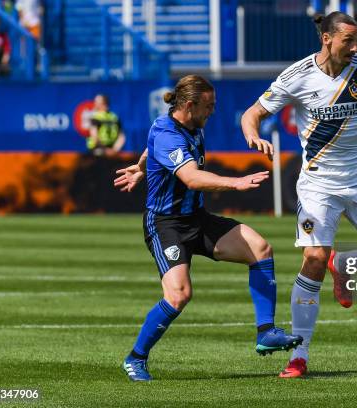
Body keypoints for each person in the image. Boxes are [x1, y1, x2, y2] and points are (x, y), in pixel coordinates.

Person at [240, 12, 357, 378]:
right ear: (327, 38)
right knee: (313, 257)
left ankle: (343, 264)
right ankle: (299, 355)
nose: (356, 47)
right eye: (348, 41)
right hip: (318, 185)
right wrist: (252, 133)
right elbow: (253, 112)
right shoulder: (297, 76)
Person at [113, 75, 302, 382]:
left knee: (260, 248)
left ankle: (266, 332)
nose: (213, 110)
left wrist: (141, 166)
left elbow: (151, 150)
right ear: (190, 105)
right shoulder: (168, 133)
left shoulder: (188, 127)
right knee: (179, 295)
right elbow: (191, 177)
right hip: (166, 225)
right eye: (209, 105)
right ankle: (136, 358)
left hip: (196, 218)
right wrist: (235, 182)